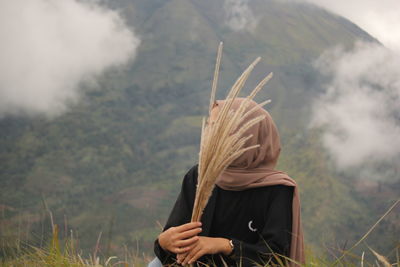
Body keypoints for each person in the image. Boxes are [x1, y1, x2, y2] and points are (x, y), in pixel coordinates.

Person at [152, 98, 305, 267]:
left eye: (217, 128)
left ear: (247, 135)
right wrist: (163, 242)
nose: (208, 134)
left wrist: (226, 245)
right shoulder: (200, 176)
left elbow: (276, 258)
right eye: (209, 125)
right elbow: (171, 246)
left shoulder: (277, 190)